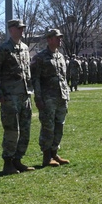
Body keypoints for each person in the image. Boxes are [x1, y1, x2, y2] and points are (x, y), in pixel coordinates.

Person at [0, 18, 34, 174]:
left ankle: (18, 160)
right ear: (11, 30)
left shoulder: (25, 48)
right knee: (12, 130)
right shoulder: (3, 49)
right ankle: (8, 162)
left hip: (24, 95)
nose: (22, 30)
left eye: (22, 28)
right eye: (19, 28)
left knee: (25, 129)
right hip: (9, 96)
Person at [31, 28, 71, 167]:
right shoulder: (40, 57)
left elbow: (63, 78)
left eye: (60, 37)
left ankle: (54, 153)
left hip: (61, 97)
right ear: (49, 39)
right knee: (48, 127)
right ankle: (47, 156)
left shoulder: (60, 56)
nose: (60, 40)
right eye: (57, 37)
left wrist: (67, 95)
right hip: (47, 98)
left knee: (59, 126)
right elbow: (35, 79)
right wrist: (38, 98)